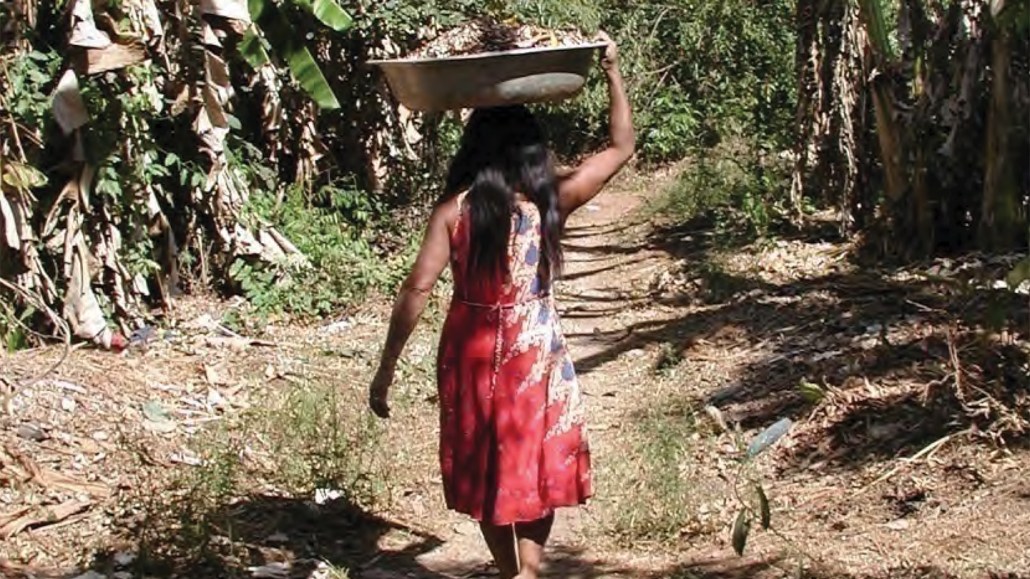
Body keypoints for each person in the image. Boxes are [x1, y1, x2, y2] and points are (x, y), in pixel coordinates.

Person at [368, 35, 634, 579]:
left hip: (472, 348)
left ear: (472, 153)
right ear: (534, 153)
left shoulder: (454, 210)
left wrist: (386, 369)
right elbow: (621, 147)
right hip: (536, 348)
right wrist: (611, 71)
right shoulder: (550, 200)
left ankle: (511, 570)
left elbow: (416, 290)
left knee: (487, 462)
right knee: (536, 454)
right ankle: (528, 573)